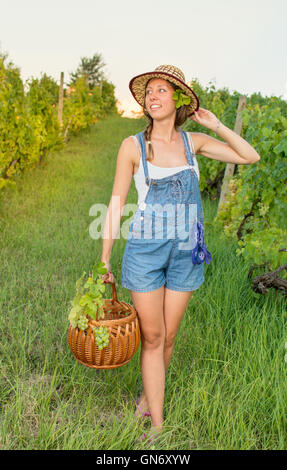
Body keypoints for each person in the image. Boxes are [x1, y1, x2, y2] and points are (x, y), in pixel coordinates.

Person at [100, 65, 260, 443]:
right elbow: (116, 203)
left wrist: (217, 125)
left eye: (161, 90)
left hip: (187, 250)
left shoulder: (194, 144)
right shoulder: (132, 147)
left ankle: (146, 401)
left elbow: (249, 157)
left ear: (179, 100)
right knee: (152, 337)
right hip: (146, 251)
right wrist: (104, 258)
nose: (152, 96)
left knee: (169, 337)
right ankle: (157, 427)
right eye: (148, 92)